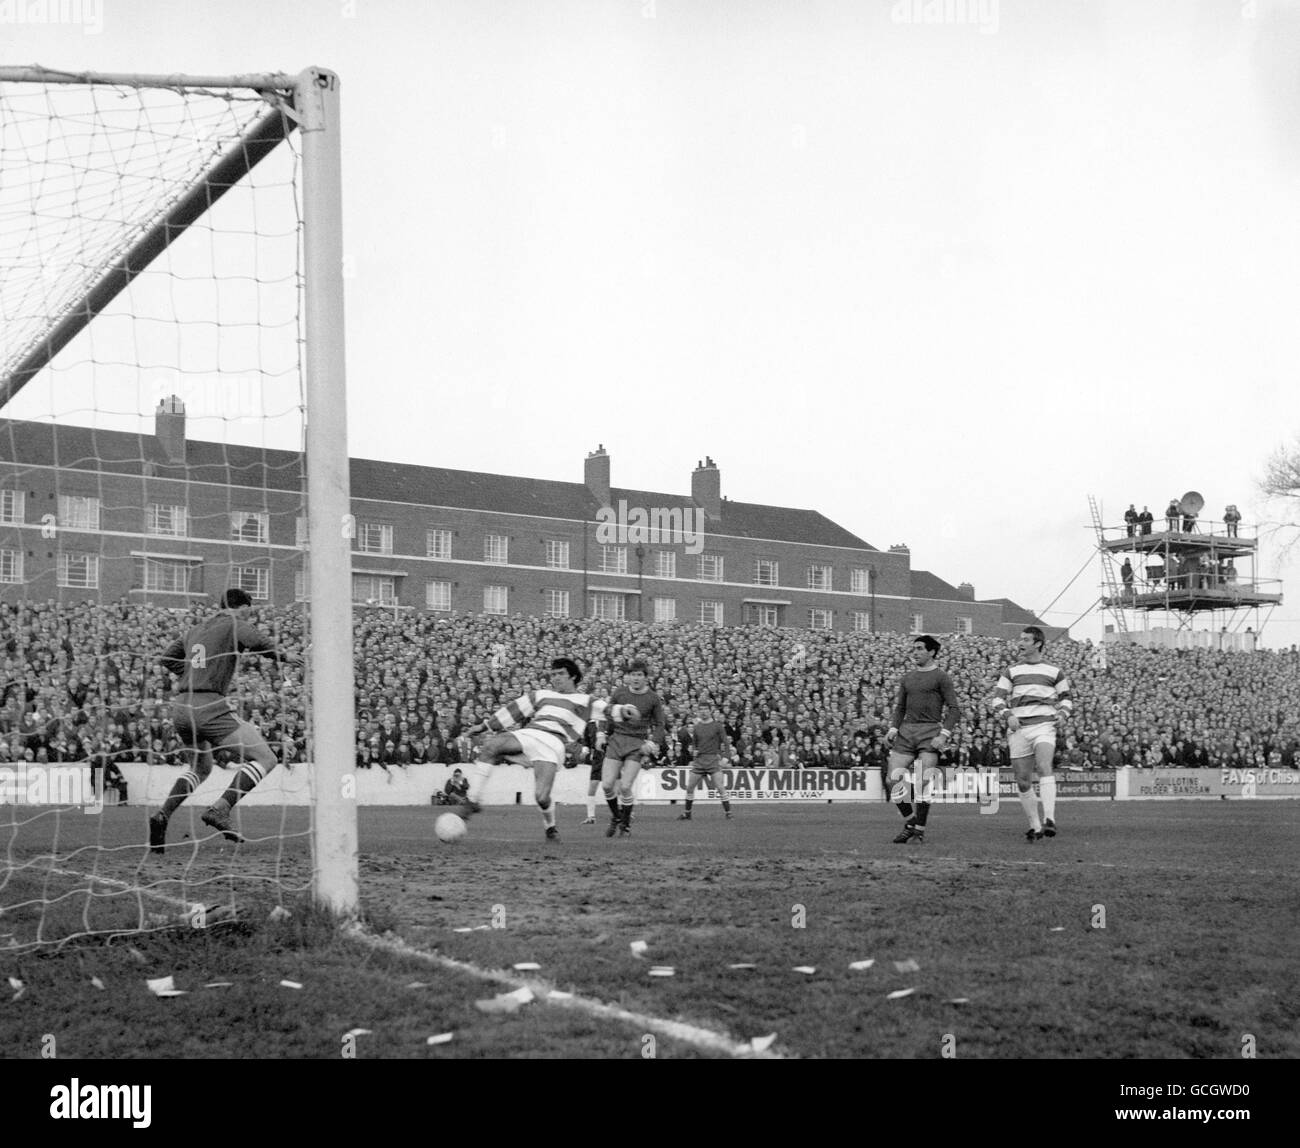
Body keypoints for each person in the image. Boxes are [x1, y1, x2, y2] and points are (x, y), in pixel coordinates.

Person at [149, 588, 302, 853]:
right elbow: (256, 641)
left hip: (181, 707)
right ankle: (220, 809)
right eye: (248, 610)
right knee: (266, 758)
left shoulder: (196, 629)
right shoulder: (234, 623)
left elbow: (166, 657)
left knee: (200, 769)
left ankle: (162, 815)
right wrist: (285, 655)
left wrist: (192, 673)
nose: (248, 615)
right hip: (208, 706)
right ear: (241, 607)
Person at [458, 657, 607, 841]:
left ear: (574, 677)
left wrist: (626, 710)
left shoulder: (586, 701)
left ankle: (550, 828)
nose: (556, 678)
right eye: (553, 674)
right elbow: (513, 711)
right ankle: (472, 800)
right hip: (531, 734)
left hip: (553, 744)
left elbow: (610, 711)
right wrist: (483, 727)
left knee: (542, 797)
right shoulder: (541, 695)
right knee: (491, 745)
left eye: (561, 674)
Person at [989, 625, 1073, 842]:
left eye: (1026, 640)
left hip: (1044, 725)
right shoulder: (1011, 671)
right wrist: (1007, 714)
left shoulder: (1055, 671)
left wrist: (1063, 714)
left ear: (1038, 643)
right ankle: (1035, 827)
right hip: (1019, 728)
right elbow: (997, 699)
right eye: (1021, 639)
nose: (1021, 643)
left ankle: (1050, 820)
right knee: (1023, 780)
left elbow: (1067, 698)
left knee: (1045, 766)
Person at [883, 634, 960, 845]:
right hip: (907, 731)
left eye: (919, 648)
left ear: (932, 651)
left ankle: (919, 830)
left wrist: (943, 734)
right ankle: (910, 822)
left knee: (924, 781)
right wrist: (892, 728)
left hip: (930, 731)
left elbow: (954, 709)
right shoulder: (907, 678)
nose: (915, 652)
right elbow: (900, 707)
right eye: (914, 649)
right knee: (892, 780)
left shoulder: (941, 677)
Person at [599, 660, 666, 838]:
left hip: (637, 744)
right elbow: (606, 712)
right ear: (628, 676)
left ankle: (626, 825)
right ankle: (616, 817)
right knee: (606, 785)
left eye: (639, 675)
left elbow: (660, 725)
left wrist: (652, 743)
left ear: (646, 677)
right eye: (633, 675)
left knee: (626, 787)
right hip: (616, 741)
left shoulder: (653, 698)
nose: (636, 678)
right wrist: (600, 733)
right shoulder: (619, 693)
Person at [677, 701, 735, 821]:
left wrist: (726, 757)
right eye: (701, 709)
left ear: (710, 711)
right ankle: (687, 813)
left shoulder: (717, 726)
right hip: (699, 761)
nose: (703, 712)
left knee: (720, 787)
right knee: (689, 787)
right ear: (699, 711)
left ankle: (728, 813)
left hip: (713, 759)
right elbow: (695, 744)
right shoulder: (697, 727)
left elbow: (726, 743)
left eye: (705, 709)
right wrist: (694, 750)